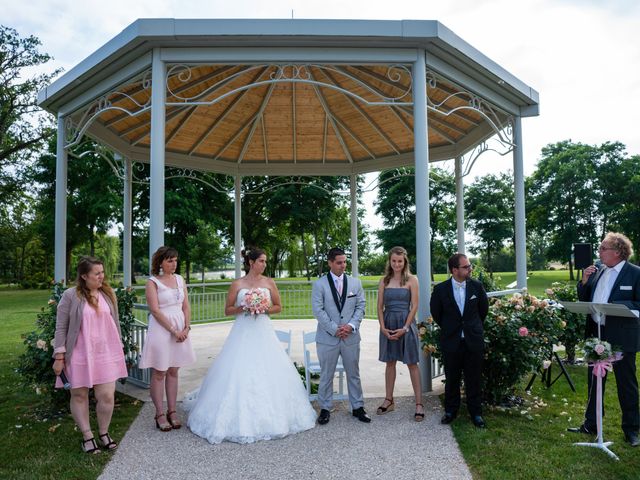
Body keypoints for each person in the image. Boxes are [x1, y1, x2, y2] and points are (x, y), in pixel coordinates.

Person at [184, 248, 316, 444]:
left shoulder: (269, 282)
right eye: (261, 261)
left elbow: (278, 307)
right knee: (237, 368)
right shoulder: (238, 284)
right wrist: (244, 307)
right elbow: (227, 310)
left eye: (265, 261)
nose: (264, 264)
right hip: (242, 331)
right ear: (251, 262)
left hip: (263, 329)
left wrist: (263, 307)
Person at [567, 232, 640, 446]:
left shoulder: (635, 273)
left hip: (622, 337)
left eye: (602, 249)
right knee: (594, 381)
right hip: (596, 335)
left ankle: (632, 430)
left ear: (617, 251)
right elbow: (585, 298)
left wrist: (618, 308)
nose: (598, 252)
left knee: (626, 384)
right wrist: (584, 281)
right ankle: (591, 424)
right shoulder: (597, 271)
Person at [52, 256, 128, 454]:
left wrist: (119, 347)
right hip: (79, 353)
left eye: (102, 272)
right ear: (84, 276)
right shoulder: (70, 295)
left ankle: (104, 433)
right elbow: (61, 327)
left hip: (105, 353)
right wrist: (59, 356)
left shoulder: (108, 294)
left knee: (107, 396)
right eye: (97, 273)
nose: (101, 276)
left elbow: (115, 323)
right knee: (79, 395)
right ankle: (88, 436)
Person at [139, 246, 196, 431]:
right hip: (162, 329)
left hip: (180, 329)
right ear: (161, 262)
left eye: (175, 260)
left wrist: (186, 327)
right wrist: (174, 330)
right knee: (160, 372)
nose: (174, 264)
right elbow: (155, 310)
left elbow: (186, 306)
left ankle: (172, 411)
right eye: (170, 260)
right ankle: (159, 413)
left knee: (173, 371)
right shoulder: (153, 282)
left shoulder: (180, 279)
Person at [430, 253, 489, 428]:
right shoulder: (441, 290)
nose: (470, 269)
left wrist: (471, 327)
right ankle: (450, 411)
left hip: (473, 340)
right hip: (451, 341)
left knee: (474, 378)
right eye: (466, 266)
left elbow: (482, 311)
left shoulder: (477, 287)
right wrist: (451, 328)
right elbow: (437, 313)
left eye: (469, 265)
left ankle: (476, 413)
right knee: (452, 378)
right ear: (454, 270)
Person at [312, 247, 369, 425]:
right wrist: (335, 329)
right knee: (327, 374)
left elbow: (361, 306)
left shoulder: (355, 283)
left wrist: (351, 326)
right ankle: (325, 408)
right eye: (339, 262)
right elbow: (318, 310)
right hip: (328, 337)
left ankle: (357, 407)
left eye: (345, 262)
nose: (343, 265)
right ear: (330, 263)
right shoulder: (319, 284)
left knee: (354, 373)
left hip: (350, 337)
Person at [376, 246, 423, 421]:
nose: (397, 264)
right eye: (394, 261)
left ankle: (419, 403)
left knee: (412, 363)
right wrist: (382, 327)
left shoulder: (412, 279)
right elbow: (379, 307)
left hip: (406, 325)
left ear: (405, 262)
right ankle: (389, 400)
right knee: (390, 363)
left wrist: (404, 328)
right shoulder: (384, 281)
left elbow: (415, 305)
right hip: (388, 324)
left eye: (400, 261)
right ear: (390, 261)